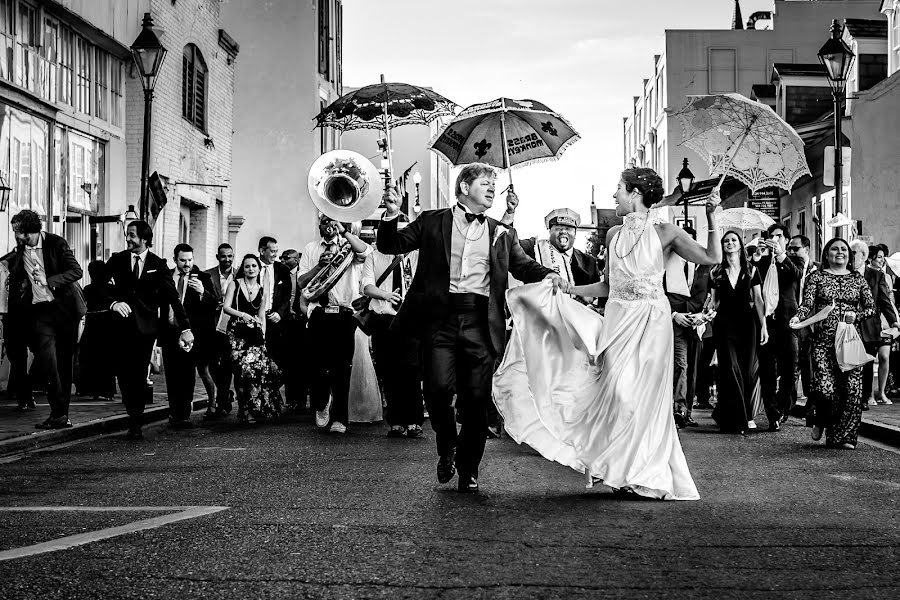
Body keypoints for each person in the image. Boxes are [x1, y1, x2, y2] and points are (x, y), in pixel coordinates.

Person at [494, 167, 721, 500]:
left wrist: (713, 216)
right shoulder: (614, 235)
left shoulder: (667, 233)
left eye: (618, 188)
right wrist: (569, 288)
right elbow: (607, 285)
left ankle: (639, 473)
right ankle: (618, 465)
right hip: (617, 319)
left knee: (642, 397)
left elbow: (711, 257)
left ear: (635, 193)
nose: (614, 195)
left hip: (650, 322)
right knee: (615, 391)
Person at [378, 163, 563, 494]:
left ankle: (469, 467)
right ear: (464, 188)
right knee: (436, 390)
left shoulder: (500, 232)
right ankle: (446, 445)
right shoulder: (432, 221)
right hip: (439, 320)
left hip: (480, 322)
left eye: (494, 184)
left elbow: (522, 264)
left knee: (476, 400)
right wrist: (391, 213)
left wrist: (548, 273)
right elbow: (390, 244)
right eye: (485, 183)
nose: (492, 188)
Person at [97, 221, 193, 440]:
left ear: (144, 239)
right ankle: (132, 410)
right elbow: (99, 284)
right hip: (120, 327)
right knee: (123, 372)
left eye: (132, 235)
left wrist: (185, 327)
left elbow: (173, 298)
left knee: (139, 373)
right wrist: (113, 303)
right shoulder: (118, 260)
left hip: (146, 329)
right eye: (127, 235)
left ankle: (136, 421)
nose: (128, 239)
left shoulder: (158, 265)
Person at [791, 238, 875, 449]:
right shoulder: (816, 277)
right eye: (834, 249)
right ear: (827, 254)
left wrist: (856, 315)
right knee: (826, 389)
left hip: (849, 342)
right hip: (823, 342)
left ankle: (844, 436)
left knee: (851, 390)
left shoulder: (858, 279)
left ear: (849, 255)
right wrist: (797, 318)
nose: (840, 252)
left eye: (844, 249)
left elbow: (871, 307)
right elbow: (807, 304)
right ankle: (820, 419)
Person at [6, 210, 87, 429]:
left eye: (17, 230)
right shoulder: (20, 251)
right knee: (48, 362)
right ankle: (58, 412)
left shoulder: (55, 243)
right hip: (41, 313)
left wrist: (49, 280)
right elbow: (16, 277)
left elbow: (76, 271)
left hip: (65, 311)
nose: (15, 234)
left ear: (28, 230)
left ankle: (61, 415)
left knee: (64, 364)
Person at [297, 215, 371, 434]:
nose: (329, 225)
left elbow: (365, 252)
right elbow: (301, 282)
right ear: (319, 225)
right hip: (319, 312)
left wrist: (345, 232)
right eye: (325, 221)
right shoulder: (311, 248)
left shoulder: (349, 246)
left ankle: (340, 418)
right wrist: (319, 267)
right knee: (316, 365)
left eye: (333, 221)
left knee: (341, 368)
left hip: (344, 314)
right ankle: (321, 403)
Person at [361, 239, 423, 437]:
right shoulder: (374, 255)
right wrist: (386, 295)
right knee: (388, 370)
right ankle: (396, 421)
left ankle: (414, 420)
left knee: (411, 369)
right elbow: (367, 287)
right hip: (383, 319)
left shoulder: (415, 254)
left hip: (410, 319)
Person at [709, 231, 767, 433]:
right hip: (724, 324)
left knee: (745, 369)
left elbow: (758, 300)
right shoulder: (715, 271)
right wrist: (708, 314)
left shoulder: (751, 270)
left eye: (734, 240)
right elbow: (714, 302)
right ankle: (738, 418)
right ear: (722, 246)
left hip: (747, 323)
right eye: (726, 241)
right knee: (729, 367)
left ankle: (740, 415)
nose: (730, 243)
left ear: (741, 245)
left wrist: (764, 326)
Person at [222, 254, 283, 422]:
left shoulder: (262, 289)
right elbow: (226, 307)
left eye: (254, 266)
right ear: (243, 268)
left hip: (254, 336)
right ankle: (243, 406)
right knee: (241, 372)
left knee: (255, 373)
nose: (251, 269)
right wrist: (243, 314)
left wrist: (262, 335)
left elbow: (261, 315)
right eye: (247, 266)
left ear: (258, 269)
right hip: (237, 334)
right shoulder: (234, 284)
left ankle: (251, 409)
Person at [161, 244, 216, 429]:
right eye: (183, 260)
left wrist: (203, 292)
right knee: (171, 373)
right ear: (175, 259)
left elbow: (214, 303)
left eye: (190, 260)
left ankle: (183, 414)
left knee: (186, 373)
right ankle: (174, 411)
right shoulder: (166, 276)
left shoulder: (203, 278)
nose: (187, 264)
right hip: (169, 331)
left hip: (190, 333)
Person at [755, 223, 801, 431]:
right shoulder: (761, 260)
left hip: (788, 322)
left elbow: (796, 275)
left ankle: (783, 408)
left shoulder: (793, 260)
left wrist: (781, 255)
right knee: (767, 371)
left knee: (790, 369)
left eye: (779, 236)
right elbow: (748, 278)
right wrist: (756, 258)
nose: (775, 239)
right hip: (766, 322)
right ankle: (772, 414)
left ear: (786, 240)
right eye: (771, 236)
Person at [854, 242, 899, 408]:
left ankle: (865, 398)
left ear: (864, 256)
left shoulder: (876, 276)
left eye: (854, 252)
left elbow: (884, 301)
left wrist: (894, 321)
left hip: (869, 326)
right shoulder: (844, 274)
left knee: (867, 363)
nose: (850, 256)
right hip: (848, 327)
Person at [519, 208, 602, 292]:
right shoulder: (533, 248)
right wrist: (509, 216)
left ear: (575, 233)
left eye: (568, 229)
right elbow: (510, 245)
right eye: (558, 228)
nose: (563, 232)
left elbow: (597, 296)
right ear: (550, 231)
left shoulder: (589, 262)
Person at [203, 243, 237, 418]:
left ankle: (223, 398)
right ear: (217, 257)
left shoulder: (239, 274)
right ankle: (225, 394)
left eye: (230, 256)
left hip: (233, 326)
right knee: (214, 364)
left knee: (228, 363)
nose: (227, 259)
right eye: (223, 256)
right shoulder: (208, 275)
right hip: (213, 325)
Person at [76, 260, 117, 401]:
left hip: (92, 325)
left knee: (89, 358)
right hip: (108, 326)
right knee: (106, 359)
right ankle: (107, 391)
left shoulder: (88, 289)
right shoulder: (111, 288)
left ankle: (88, 389)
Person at [788, 235, 818, 423]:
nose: (792, 252)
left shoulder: (817, 269)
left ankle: (811, 410)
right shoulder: (788, 268)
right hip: (791, 321)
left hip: (811, 324)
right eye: (790, 249)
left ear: (806, 249)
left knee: (809, 368)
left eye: (795, 249)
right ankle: (788, 406)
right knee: (791, 366)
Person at [257, 236, 293, 373]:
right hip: (256, 318)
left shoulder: (282, 269)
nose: (275, 255)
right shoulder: (251, 266)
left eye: (276, 251)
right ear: (261, 250)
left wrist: (279, 313)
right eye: (272, 251)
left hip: (275, 319)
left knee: (276, 358)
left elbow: (287, 295)